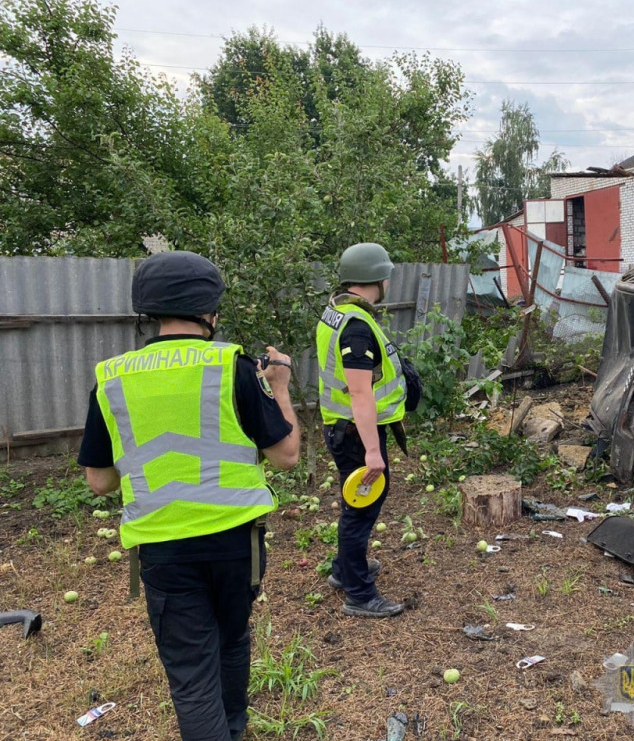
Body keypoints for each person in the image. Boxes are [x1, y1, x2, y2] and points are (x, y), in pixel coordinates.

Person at [77, 251, 301, 741]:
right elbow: (287, 456)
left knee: (191, 674)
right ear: (209, 310)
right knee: (233, 640)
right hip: (236, 542)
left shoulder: (112, 377)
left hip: (163, 549)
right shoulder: (231, 365)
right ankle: (233, 729)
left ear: (148, 310)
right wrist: (280, 387)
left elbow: (100, 482)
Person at [316, 242, 407, 618]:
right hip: (355, 431)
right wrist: (372, 451)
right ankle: (359, 593)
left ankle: (344, 569)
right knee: (362, 508)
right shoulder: (355, 326)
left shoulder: (336, 311)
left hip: (343, 426)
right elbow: (359, 391)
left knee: (358, 502)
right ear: (378, 278)